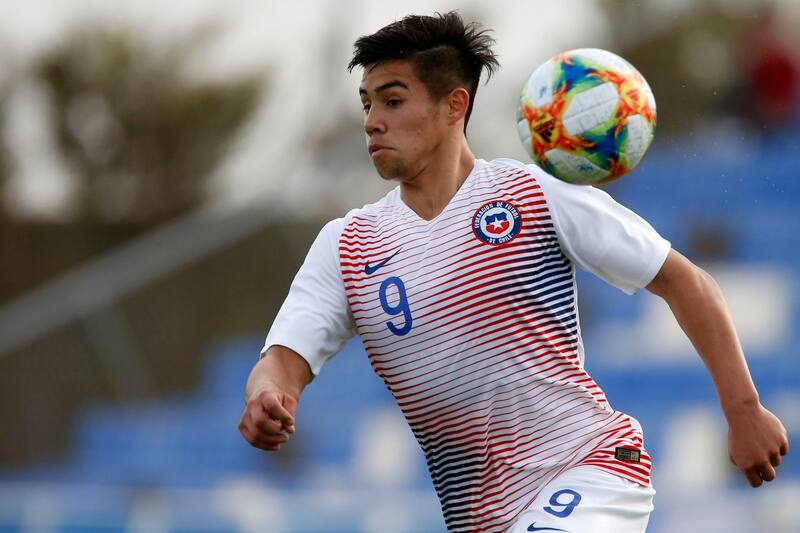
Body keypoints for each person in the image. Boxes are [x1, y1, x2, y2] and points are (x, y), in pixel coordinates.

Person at [238, 12, 789, 533]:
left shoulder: (534, 193)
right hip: (481, 515)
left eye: (392, 99)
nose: (371, 120)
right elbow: (283, 362)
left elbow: (685, 280)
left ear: (454, 106)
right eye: (366, 103)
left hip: (591, 469)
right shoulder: (347, 245)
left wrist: (743, 410)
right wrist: (267, 396)